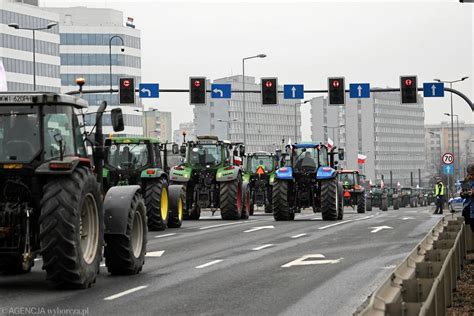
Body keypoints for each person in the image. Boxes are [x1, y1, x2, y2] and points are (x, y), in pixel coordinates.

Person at [461, 163, 474, 231]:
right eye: (469, 174)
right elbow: (463, 193)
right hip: (469, 211)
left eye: (472, 174)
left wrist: (473, 193)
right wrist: (463, 194)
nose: (471, 176)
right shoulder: (466, 181)